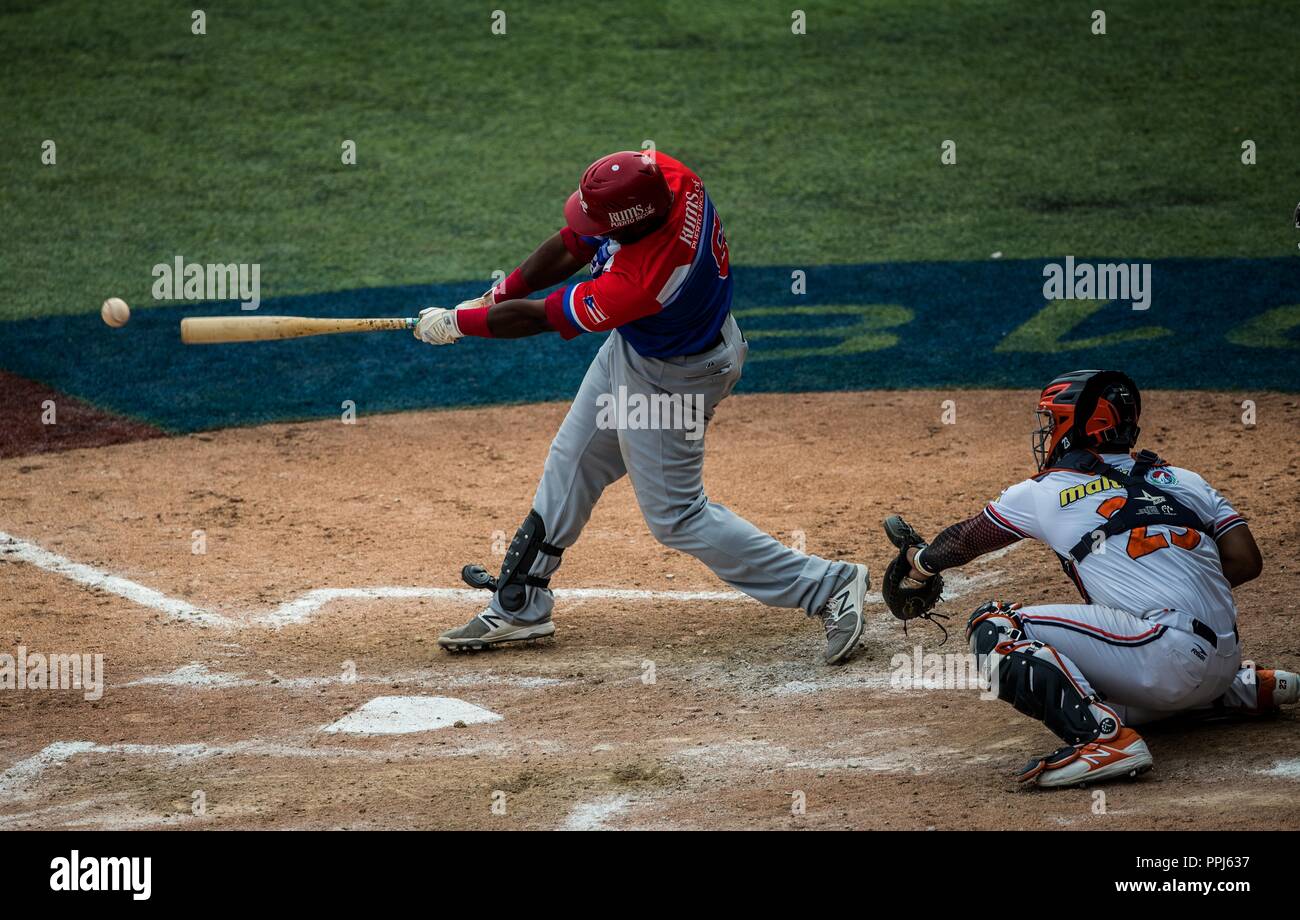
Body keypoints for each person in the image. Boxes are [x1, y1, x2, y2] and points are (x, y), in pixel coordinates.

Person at [413, 150, 869, 663]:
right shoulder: (665, 177)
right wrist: (494, 296)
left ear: (634, 223)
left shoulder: (644, 277)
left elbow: (542, 317)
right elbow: (575, 243)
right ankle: (522, 603)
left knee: (677, 515)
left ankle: (829, 585)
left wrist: (460, 324)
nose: (590, 226)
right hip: (643, 347)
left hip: (674, 377)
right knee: (575, 459)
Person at [880, 370, 1297, 788]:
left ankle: (1102, 741)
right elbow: (1246, 561)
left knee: (995, 628)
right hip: (1219, 660)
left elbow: (967, 539)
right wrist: (1176, 588)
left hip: (1165, 660)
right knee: (1085, 673)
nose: (1046, 431)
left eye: (1051, 420)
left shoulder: (1045, 491)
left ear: (1073, 425)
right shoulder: (1183, 480)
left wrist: (919, 563)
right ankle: (1233, 691)